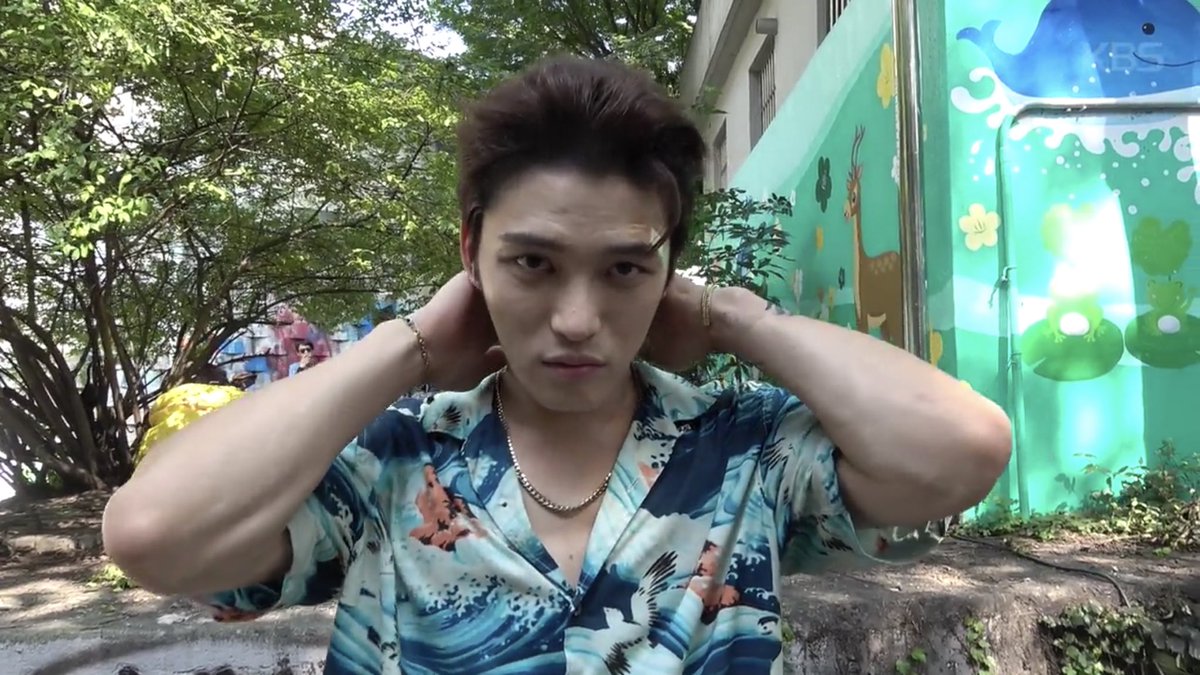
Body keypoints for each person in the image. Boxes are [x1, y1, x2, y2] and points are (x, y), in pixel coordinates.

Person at [102, 56, 1012, 673]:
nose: (577, 320)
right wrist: (406, 346)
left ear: (670, 268)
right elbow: (151, 534)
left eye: (625, 269)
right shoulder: (392, 460)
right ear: (471, 251)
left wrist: (734, 317)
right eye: (533, 262)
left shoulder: (744, 452)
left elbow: (961, 449)